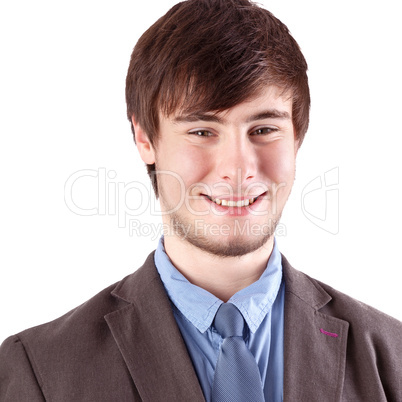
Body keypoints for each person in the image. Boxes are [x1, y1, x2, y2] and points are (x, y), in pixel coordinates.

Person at [1, 0, 401, 400]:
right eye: (202, 131)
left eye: (263, 129)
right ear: (145, 139)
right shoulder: (38, 369)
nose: (238, 168)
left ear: (297, 137)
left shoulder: (392, 358)